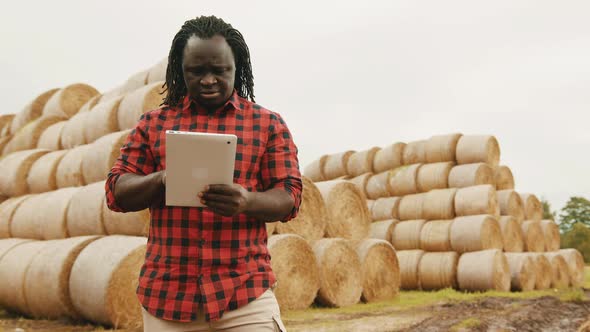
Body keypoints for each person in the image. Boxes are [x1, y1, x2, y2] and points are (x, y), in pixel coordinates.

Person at [105, 15, 302, 332]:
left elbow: (290, 197)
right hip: (168, 298)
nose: (208, 80)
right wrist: (164, 179)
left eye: (220, 70)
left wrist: (247, 201)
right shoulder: (152, 124)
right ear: (180, 71)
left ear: (236, 68)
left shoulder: (268, 125)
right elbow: (116, 192)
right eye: (196, 71)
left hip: (245, 294)